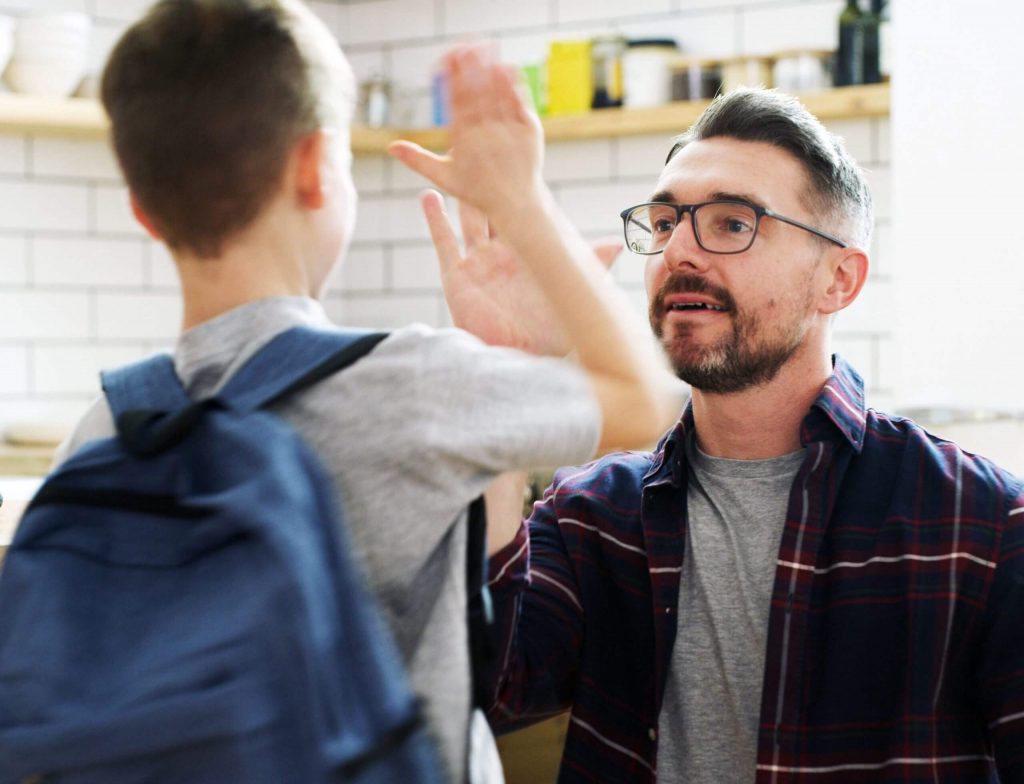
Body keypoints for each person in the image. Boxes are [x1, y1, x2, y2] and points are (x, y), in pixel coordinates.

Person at [56, 5, 683, 783]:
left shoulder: (101, 431)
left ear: (144, 211)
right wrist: (521, 203)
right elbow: (643, 395)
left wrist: (497, 356)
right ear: (317, 167)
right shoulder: (411, 385)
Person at [409, 87, 1024, 783]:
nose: (679, 252)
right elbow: (483, 689)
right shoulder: (596, 517)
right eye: (666, 221)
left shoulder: (983, 527)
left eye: (732, 223)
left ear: (839, 279)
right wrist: (504, 372)